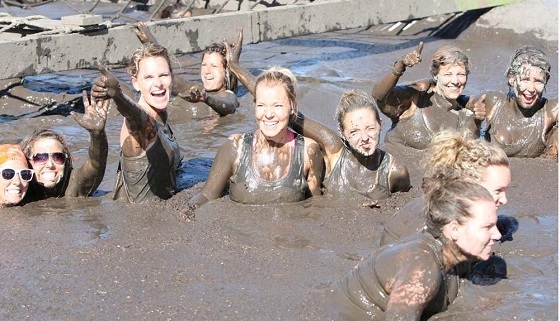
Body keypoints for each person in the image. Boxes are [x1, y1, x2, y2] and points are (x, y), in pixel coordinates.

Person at [334, 169, 502, 320]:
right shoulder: (423, 270)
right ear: (454, 229)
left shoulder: (453, 258)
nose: (497, 235)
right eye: (487, 227)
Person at [188, 67, 323, 207]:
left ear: (292, 106)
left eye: (277, 105)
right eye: (261, 105)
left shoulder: (308, 152)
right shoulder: (235, 148)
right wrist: (188, 213)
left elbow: (315, 205)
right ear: (254, 106)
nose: (268, 114)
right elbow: (206, 195)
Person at [380, 130, 510, 247]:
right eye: (498, 191)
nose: (504, 200)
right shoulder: (438, 227)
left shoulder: (438, 199)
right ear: (471, 184)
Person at [92, 43, 181, 203]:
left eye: (163, 75)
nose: (158, 83)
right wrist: (117, 96)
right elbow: (136, 117)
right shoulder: (139, 125)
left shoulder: (160, 118)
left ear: (172, 77)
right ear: (135, 83)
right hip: (143, 222)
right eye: (148, 77)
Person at [291, 90, 410, 205]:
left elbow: (405, 210)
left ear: (380, 124)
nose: (364, 138)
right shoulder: (334, 152)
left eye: (370, 128)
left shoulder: (395, 172)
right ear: (342, 132)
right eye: (354, 132)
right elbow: (294, 117)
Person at [371, 42, 485, 150]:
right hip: (395, 167)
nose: (455, 81)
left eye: (461, 74)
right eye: (448, 74)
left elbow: (467, 151)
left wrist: (478, 121)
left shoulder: (465, 112)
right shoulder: (415, 98)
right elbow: (379, 96)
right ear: (435, 75)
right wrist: (400, 66)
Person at [134, 22, 240, 118]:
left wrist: (206, 99)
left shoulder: (229, 95)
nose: (207, 71)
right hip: (154, 115)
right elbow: (171, 80)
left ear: (226, 72)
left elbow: (228, 106)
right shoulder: (196, 88)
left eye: (214, 66)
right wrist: (149, 41)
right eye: (204, 65)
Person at [21, 91, 109, 200]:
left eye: (58, 157)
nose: (50, 164)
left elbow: (96, 163)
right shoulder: (19, 187)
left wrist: (97, 134)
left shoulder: (74, 185)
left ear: (66, 161)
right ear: (28, 162)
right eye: (40, 158)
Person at [477, 46, 558, 158]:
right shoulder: (493, 103)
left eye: (538, 81)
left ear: (546, 81)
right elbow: (458, 100)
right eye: (525, 79)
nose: (531, 89)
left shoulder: (550, 111)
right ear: (512, 78)